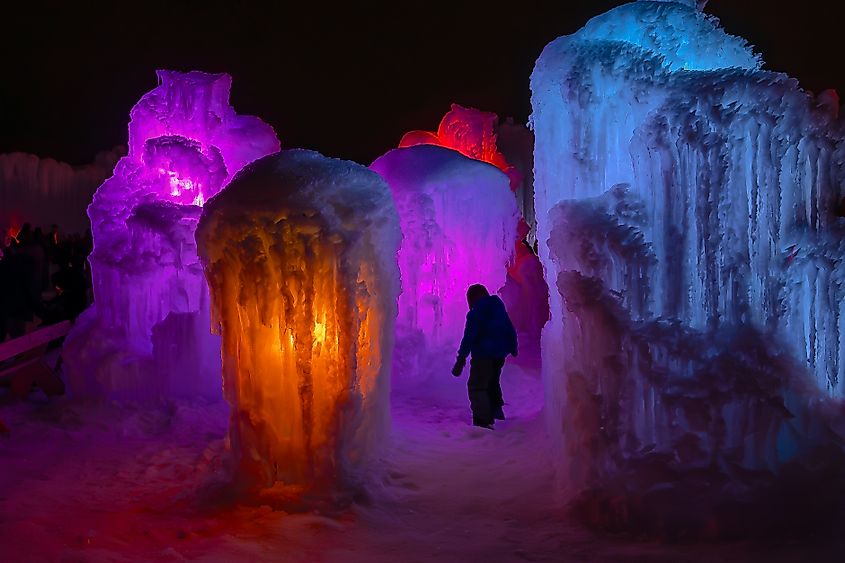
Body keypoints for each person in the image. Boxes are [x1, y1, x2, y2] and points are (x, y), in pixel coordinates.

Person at [452, 284, 518, 429]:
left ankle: (483, 421)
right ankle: (496, 412)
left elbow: (469, 336)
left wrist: (461, 358)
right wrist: (513, 347)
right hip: (499, 355)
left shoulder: (476, 312)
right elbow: (509, 327)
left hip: (483, 355)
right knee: (492, 382)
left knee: (477, 386)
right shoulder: (498, 308)